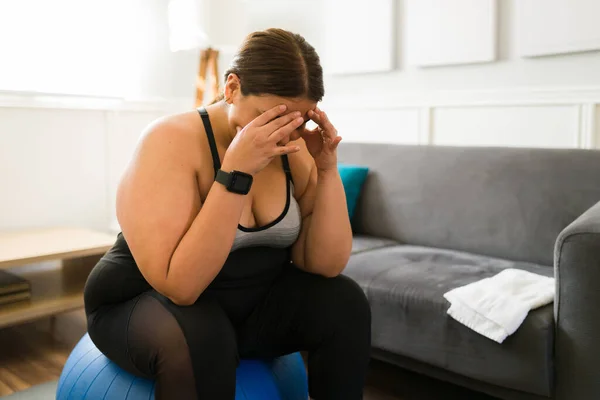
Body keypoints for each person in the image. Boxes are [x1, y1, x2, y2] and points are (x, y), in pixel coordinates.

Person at [83, 28, 371, 400]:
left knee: (344, 302)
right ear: (232, 88)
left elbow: (325, 265)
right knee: (202, 334)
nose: (283, 135)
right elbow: (181, 287)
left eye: (296, 121)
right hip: (145, 300)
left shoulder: (292, 146)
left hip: (244, 304)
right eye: (268, 117)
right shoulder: (169, 140)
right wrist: (236, 172)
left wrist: (327, 169)